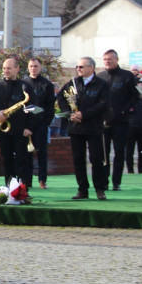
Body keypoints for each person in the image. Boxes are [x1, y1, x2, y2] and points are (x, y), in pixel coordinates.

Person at [58, 57, 110, 200]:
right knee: (78, 159)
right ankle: (82, 190)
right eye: (77, 67)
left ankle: (100, 189)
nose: (78, 69)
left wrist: (84, 115)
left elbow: (103, 104)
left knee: (96, 159)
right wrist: (70, 115)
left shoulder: (102, 84)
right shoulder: (73, 83)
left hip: (94, 127)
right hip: (76, 128)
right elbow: (61, 98)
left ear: (91, 68)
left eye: (81, 67)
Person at [98, 49, 139, 191]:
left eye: (110, 59)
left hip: (121, 121)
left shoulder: (126, 76)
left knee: (119, 153)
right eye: (104, 59)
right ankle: (104, 182)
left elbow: (134, 97)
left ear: (116, 60)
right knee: (104, 154)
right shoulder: (100, 77)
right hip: (103, 122)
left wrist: (124, 110)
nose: (107, 62)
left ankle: (116, 182)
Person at [0, 57, 32, 188]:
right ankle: (9, 185)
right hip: (4, 130)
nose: (6, 71)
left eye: (9, 68)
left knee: (22, 159)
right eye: (4, 68)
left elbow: (33, 109)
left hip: (21, 130)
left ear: (17, 69)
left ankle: (22, 187)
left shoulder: (25, 87)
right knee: (6, 159)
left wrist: (29, 127)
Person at [25, 58, 56, 189]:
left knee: (41, 152)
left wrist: (45, 123)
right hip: (26, 124)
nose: (33, 68)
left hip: (41, 124)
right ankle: (27, 180)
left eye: (36, 66)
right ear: (28, 68)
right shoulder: (23, 83)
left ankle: (42, 179)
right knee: (26, 153)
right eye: (31, 66)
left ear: (40, 67)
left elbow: (50, 106)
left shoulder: (47, 84)